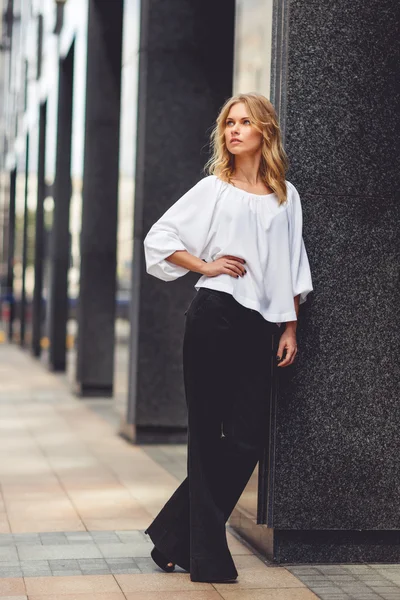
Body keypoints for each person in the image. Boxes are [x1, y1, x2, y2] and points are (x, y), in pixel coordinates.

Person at [142, 92, 313, 583]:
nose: (234, 130)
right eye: (228, 123)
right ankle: (207, 559)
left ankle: (174, 535)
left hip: (260, 325)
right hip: (214, 315)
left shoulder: (286, 196)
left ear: (265, 131)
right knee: (207, 435)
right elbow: (160, 238)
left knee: (244, 440)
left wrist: (290, 326)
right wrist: (205, 264)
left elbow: (292, 268)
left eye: (244, 122)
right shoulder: (213, 189)